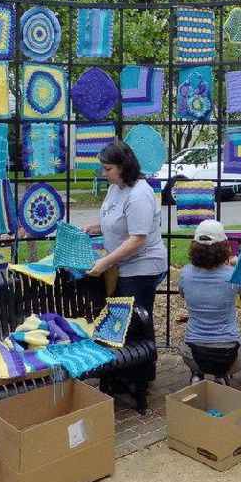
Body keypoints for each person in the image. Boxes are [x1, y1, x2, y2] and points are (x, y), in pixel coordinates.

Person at [83, 141, 168, 341]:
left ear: (124, 166)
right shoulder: (116, 187)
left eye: (108, 169)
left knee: (136, 322)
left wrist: (105, 262)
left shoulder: (139, 195)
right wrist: (93, 228)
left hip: (141, 267)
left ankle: (143, 360)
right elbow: (117, 221)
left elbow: (137, 238)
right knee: (123, 323)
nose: (104, 174)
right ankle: (128, 360)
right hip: (122, 265)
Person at [177, 220, 241, 385]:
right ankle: (221, 374)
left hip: (194, 352)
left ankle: (197, 373)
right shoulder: (233, 275)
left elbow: (182, 293)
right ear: (224, 247)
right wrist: (237, 265)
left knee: (186, 347)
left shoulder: (186, 273)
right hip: (231, 353)